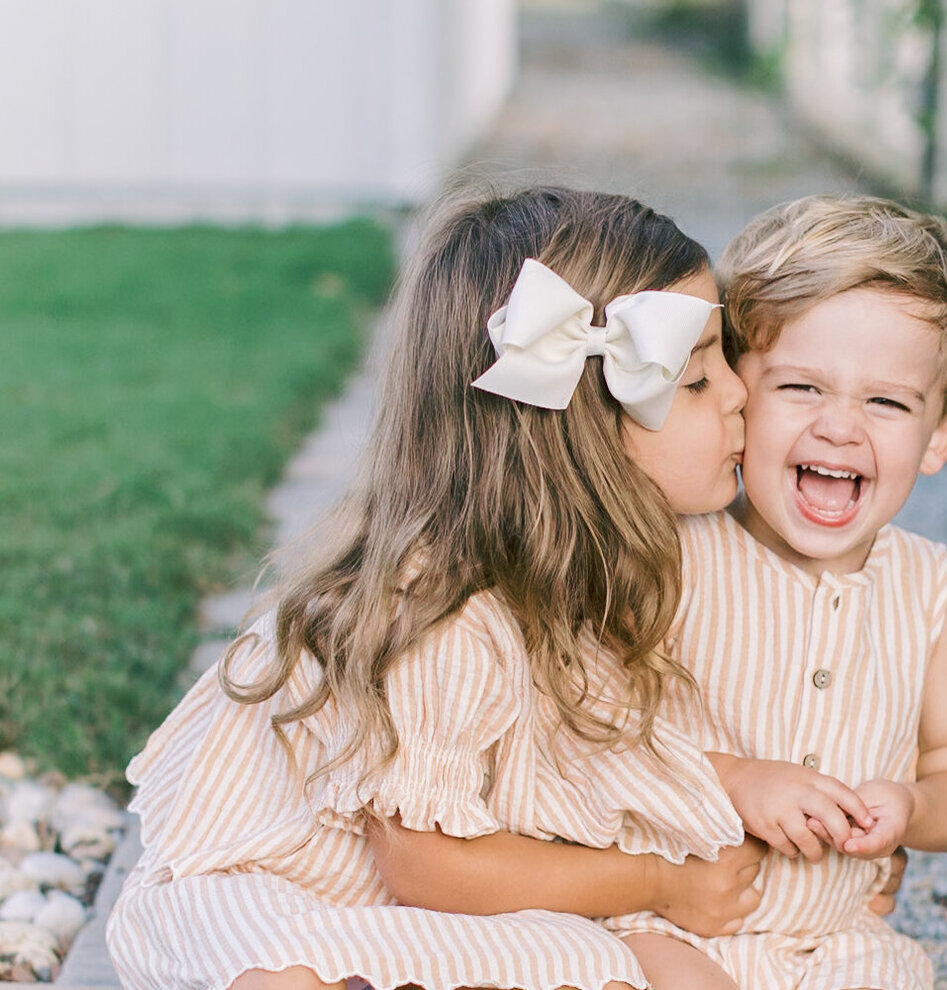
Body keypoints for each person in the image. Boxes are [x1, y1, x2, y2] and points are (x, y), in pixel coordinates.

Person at [105, 184, 764, 990]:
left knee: (605, 967)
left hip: (417, 918)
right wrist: (659, 882)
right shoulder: (444, 611)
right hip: (279, 895)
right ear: (576, 432)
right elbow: (427, 865)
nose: (740, 394)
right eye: (695, 380)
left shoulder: (601, 574)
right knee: (287, 976)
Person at [602, 195, 947, 990]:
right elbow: (594, 741)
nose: (840, 428)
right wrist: (735, 777)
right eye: (801, 389)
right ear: (737, 392)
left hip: (836, 938)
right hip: (663, 928)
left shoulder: (932, 594)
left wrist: (914, 808)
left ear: (940, 434)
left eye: (886, 402)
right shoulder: (671, 557)